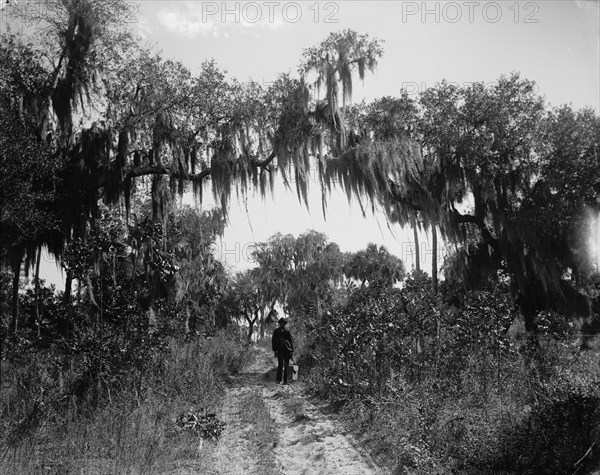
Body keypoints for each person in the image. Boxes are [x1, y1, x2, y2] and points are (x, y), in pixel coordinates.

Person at [272, 317, 294, 385]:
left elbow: (291, 341)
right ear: (279, 324)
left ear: (284, 324)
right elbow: (273, 341)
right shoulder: (276, 331)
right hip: (280, 350)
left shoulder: (287, 331)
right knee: (280, 364)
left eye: (283, 323)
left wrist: (292, 351)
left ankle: (285, 380)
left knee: (286, 365)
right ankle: (278, 380)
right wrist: (275, 351)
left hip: (287, 350)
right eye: (280, 323)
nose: (282, 324)